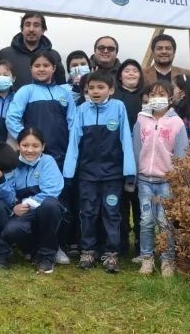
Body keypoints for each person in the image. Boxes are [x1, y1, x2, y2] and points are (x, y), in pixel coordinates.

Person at [6, 50, 75, 264]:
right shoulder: (25, 91)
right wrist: (28, 143)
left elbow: (72, 123)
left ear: (54, 68)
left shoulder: (64, 94)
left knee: (58, 204)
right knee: (36, 204)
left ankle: (57, 246)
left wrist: (72, 152)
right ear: (31, 69)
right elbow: (12, 118)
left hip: (61, 156)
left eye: (46, 65)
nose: (42, 69)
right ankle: (34, 246)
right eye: (37, 66)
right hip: (34, 156)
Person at [63, 71, 135, 274]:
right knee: (87, 212)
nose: (95, 91)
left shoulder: (118, 108)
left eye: (101, 87)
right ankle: (88, 250)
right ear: (86, 90)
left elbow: (126, 140)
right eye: (92, 88)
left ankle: (111, 253)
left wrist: (129, 171)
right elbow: (74, 143)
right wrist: (68, 173)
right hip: (87, 176)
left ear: (111, 90)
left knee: (111, 213)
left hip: (112, 175)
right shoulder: (81, 110)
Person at [133, 80, 188, 277]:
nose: (157, 97)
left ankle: (168, 260)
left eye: (162, 93)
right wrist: (134, 175)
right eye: (153, 93)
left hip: (167, 180)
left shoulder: (177, 122)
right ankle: (147, 258)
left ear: (170, 97)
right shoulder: (141, 120)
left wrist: (179, 179)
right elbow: (135, 148)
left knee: (165, 222)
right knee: (146, 220)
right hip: (145, 180)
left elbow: (182, 153)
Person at [1, 127, 65, 274]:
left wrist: (27, 202)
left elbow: (51, 191)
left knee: (50, 204)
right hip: (24, 213)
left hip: (45, 210)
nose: (30, 150)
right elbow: (9, 192)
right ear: (18, 145)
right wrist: (14, 206)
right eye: (25, 145)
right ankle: (33, 251)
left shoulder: (48, 161)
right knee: (11, 230)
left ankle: (47, 257)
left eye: (35, 146)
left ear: (43, 146)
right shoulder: (12, 163)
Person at [112, 59, 143, 259]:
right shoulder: (115, 98)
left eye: (135, 70)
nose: (131, 73)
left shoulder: (146, 97)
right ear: (120, 75)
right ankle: (121, 243)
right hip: (117, 156)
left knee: (140, 204)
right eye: (127, 70)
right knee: (120, 204)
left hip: (142, 155)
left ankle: (142, 245)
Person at [0, 12, 66, 89]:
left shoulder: (53, 55)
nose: (31, 29)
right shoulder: (5, 54)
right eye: (27, 25)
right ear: (22, 29)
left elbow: (61, 86)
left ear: (43, 30)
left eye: (36, 25)